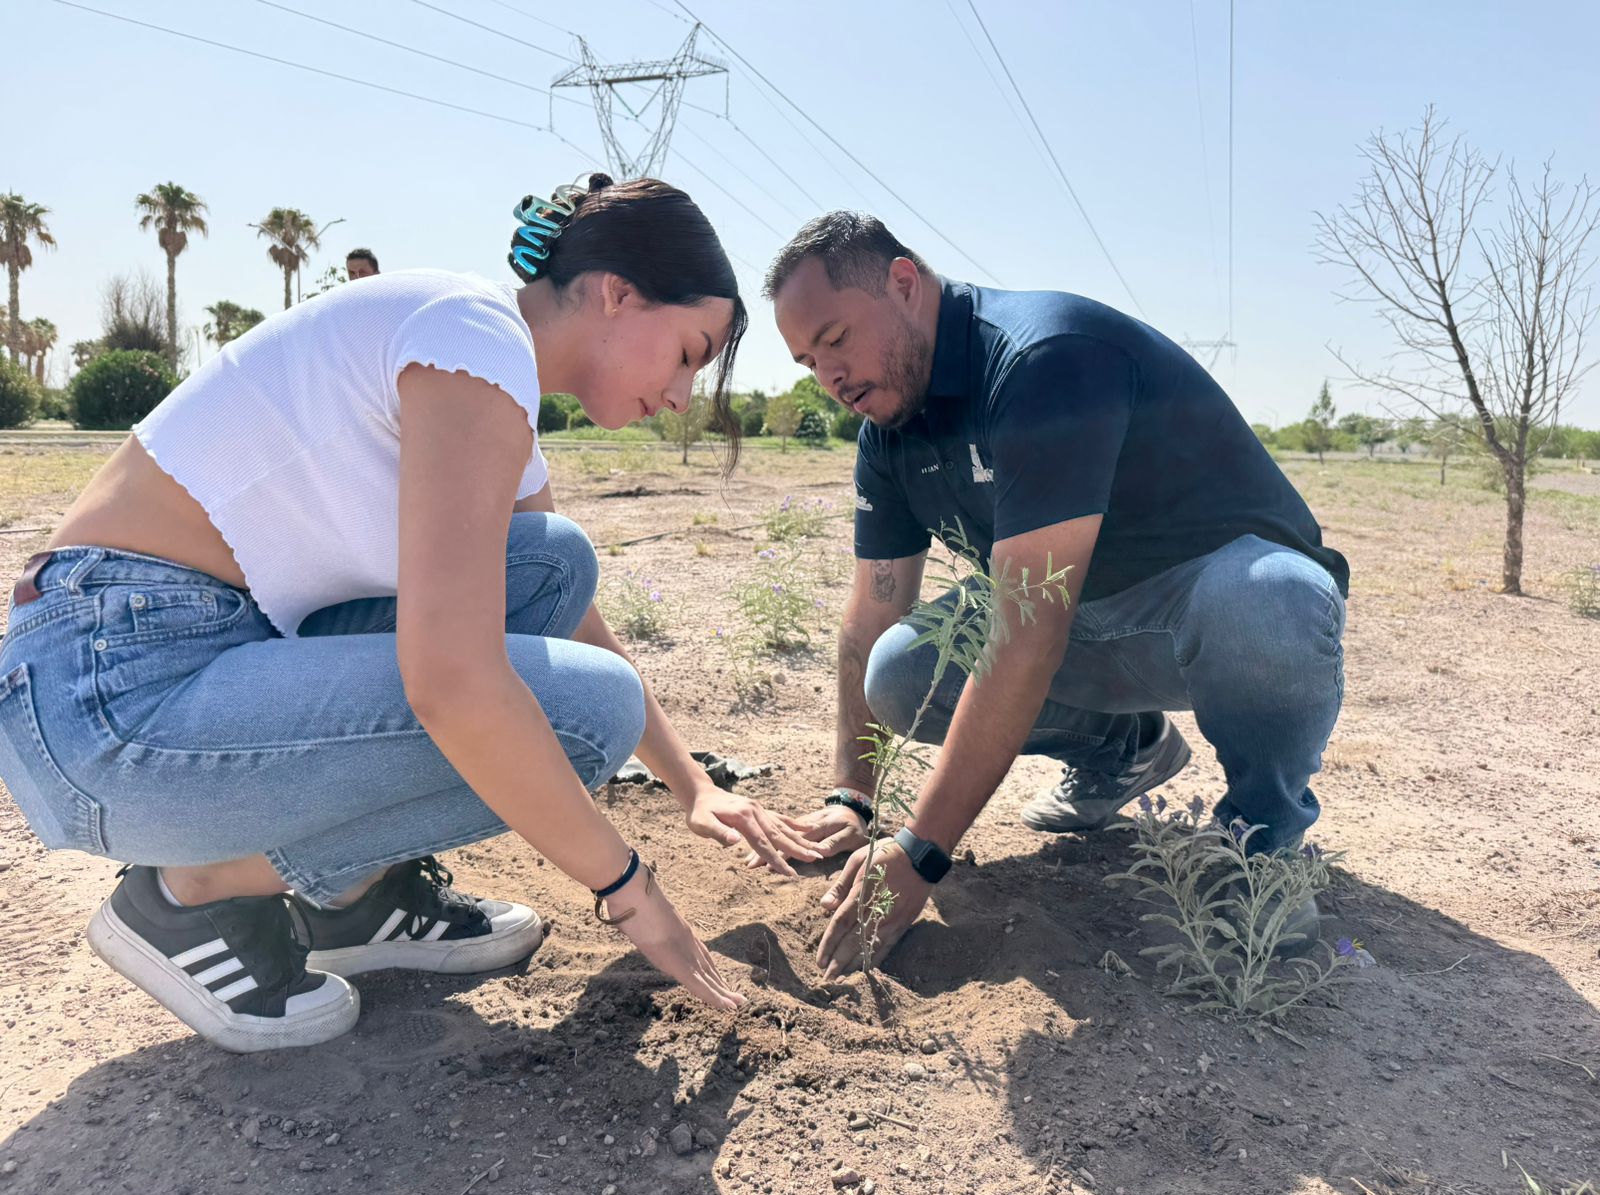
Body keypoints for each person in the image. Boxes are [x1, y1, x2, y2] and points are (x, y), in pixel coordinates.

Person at [0, 173, 823, 1052]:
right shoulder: (472, 338)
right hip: (110, 699)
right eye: (690, 354)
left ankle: (353, 900)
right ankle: (193, 890)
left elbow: (565, 610)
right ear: (620, 296)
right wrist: (632, 894)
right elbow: (454, 682)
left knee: (551, 560)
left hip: (166, 658)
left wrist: (693, 783)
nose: (681, 395)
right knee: (588, 717)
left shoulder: (482, 365)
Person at [763, 212, 1350, 978]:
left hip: (1204, 603)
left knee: (1271, 601)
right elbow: (872, 614)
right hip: (1079, 626)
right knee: (899, 668)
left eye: (836, 338)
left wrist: (920, 852)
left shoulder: (1043, 358)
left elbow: (1024, 630)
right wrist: (853, 798)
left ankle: (1261, 849)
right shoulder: (889, 432)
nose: (829, 378)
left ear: (904, 282)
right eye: (808, 361)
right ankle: (1125, 752)